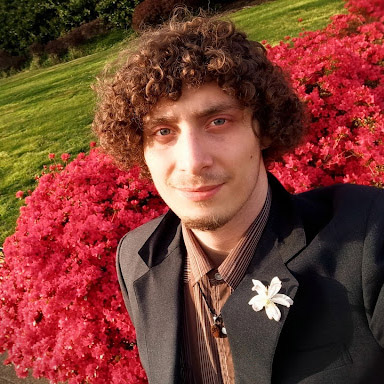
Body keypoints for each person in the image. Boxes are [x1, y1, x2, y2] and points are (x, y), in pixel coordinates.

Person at [92, 11, 384, 384]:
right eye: (163, 131)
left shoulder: (368, 239)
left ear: (262, 128)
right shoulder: (136, 257)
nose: (193, 162)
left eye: (218, 121)